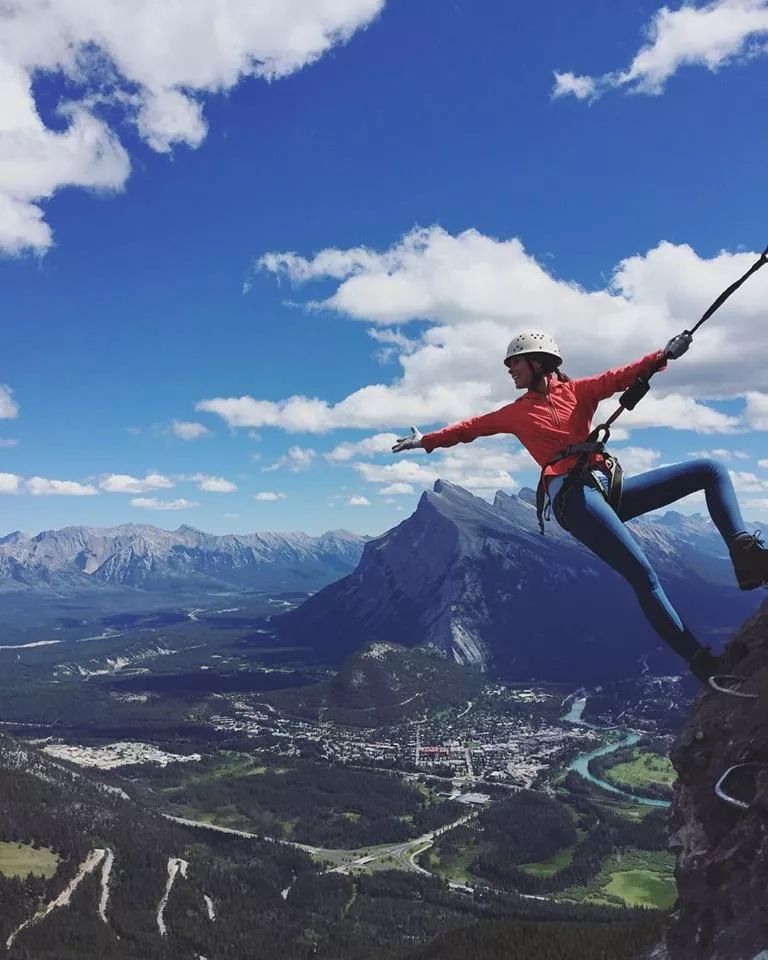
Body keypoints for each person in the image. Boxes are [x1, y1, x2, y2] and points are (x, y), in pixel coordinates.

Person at [392, 330, 768, 682]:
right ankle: (704, 664)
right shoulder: (515, 412)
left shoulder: (579, 392)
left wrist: (664, 354)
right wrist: (425, 440)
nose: (509, 370)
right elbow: (469, 427)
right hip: (573, 498)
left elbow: (620, 376)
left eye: (514, 363)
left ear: (538, 362)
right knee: (643, 574)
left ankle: (745, 554)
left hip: (603, 489)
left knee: (710, 469)